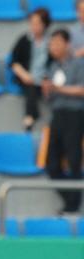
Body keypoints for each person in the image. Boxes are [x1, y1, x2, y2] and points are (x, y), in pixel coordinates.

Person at [42, 29, 84, 214]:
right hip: (57, 115)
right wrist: (48, 90)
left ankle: (73, 206)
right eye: (51, 43)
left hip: (75, 115)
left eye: (58, 42)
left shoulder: (79, 64)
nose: (54, 47)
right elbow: (51, 98)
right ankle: (70, 201)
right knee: (51, 164)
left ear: (67, 44)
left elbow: (82, 90)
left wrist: (59, 88)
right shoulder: (52, 67)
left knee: (74, 160)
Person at [10, 8, 52, 131]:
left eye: (37, 23)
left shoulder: (51, 41)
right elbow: (14, 61)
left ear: (45, 24)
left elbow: (55, 63)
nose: (34, 26)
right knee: (31, 86)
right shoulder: (24, 39)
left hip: (44, 78)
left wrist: (47, 79)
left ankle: (31, 116)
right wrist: (24, 75)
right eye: (32, 23)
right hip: (26, 77)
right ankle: (31, 115)